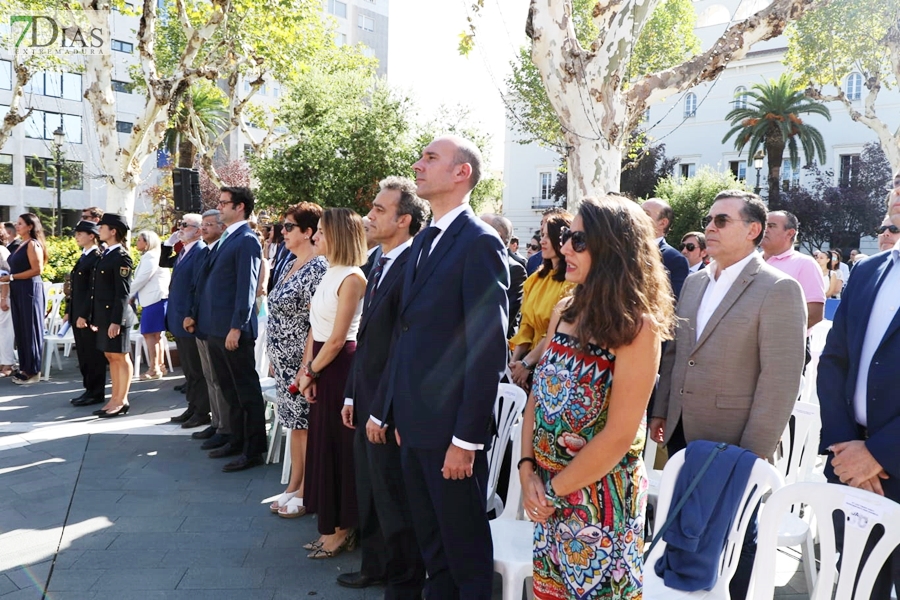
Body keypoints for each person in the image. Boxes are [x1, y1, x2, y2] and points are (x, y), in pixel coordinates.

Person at [650, 190, 807, 600]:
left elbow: (781, 377)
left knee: (737, 539)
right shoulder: (697, 280)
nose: (710, 227)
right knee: (688, 530)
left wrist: (754, 454)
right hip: (685, 430)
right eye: (709, 220)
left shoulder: (778, 287)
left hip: (736, 440)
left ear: (754, 230)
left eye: (722, 221)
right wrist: (662, 409)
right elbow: (677, 352)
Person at [373, 136, 509, 598]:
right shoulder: (425, 240)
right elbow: (405, 335)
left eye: (431, 158)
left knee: (464, 552)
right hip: (414, 425)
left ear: (461, 173)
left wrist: (466, 440)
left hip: (452, 433)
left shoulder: (479, 243)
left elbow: (487, 348)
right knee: (433, 547)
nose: (419, 164)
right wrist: (392, 410)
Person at [519, 195, 674, 600]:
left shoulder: (639, 329)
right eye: (569, 236)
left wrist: (551, 492)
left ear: (613, 248)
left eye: (579, 240)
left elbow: (620, 435)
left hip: (599, 501)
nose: (565, 247)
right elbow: (538, 394)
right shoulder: (565, 309)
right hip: (547, 493)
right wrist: (526, 469)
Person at [339, 176, 428, 594]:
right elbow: (368, 336)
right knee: (370, 489)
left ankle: (401, 578)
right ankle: (375, 566)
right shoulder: (377, 261)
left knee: (394, 498)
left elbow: (402, 346)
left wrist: (382, 409)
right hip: (367, 396)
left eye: (379, 209)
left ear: (404, 220)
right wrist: (354, 394)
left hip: (390, 406)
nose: (368, 215)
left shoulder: (414, 265)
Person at [817, 188, 900, 599]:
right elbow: (833, 362)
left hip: (887, 462)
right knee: (855, 586)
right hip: (848, 461)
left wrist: (879, 454)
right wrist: (845, 447)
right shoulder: (868, 271)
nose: (898, 190)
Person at [295, 207, 367, 558]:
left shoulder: (352, 277)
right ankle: (331, 525)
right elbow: (316, 329)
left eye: (321, 231)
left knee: (338, 449)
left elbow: (338, 339)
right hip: (323, 364)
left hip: (341, 368)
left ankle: (343, 529)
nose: (314, 236)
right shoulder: (328, 271)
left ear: (338, 235)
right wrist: (306, 370)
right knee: (324, 446)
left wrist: (312, 371)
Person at [186, 187, 266, 473]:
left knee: (245, 391)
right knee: (230, 391)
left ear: (240, 207)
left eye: (224, 203)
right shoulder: (228, 238)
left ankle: (253, 449)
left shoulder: (246, 240)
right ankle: (236, 439)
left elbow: (246, 287)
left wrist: (237, 326)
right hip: (215, 328)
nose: (219, 207)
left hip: (233, 330)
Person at [266, 202, 328, 518]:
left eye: (289, 226)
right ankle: (294, 485)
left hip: (302, 361)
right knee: (293, 425)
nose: (283, 231)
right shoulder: (290, 261)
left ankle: (306, 491)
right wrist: (272, 355)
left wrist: (307, 367)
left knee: (304, 425)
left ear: (308, 231)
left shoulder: (317, 268)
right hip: (283, 358)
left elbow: (315, 322)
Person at [508, 210, 574, 390]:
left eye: (548, 236)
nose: (542, 241)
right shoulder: (535, 279)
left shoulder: (572, 283)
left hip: (556, 365)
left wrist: (527, 364)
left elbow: (557, 332)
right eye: (542, 235)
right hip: (526, 366)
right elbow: (526, 327)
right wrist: (515, 365)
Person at [160, 214, 211, 429]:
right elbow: (165, 262)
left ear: (198, 231)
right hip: (177, 316)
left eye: (185, 225)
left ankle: (201, 411)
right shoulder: (184, 250)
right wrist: (167, 244)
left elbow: (197, 287)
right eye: (180, 224)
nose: (180, 228)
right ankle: (192, 407)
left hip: (188, 319)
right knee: (188, 370)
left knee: (195, 369)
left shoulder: (199, 251)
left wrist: (191, 314)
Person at [190, 211, 231, 449]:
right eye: (202, 225)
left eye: (209, 224)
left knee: (218, 377)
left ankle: (225, 427)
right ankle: (217, 422)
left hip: (216, 324)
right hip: (202, 322)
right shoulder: (206, 250)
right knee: (209, 377)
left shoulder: (221, 250)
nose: (203, 228)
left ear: (222, 227)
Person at [90, 214, 135, 416]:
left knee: (120, 356)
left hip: (116, 316)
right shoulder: (106, 254)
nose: (99, 230)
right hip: (104, 316)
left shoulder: (121, 256)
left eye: (102, 227)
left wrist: (117, 321)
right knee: (110, 356)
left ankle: (122, 399)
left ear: (113, 231)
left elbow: (123, 293)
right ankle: (114, 397)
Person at [1, 214, 49, 384]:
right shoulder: (21, 245)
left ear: (30, 226)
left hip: (29, 289)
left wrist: (11, 277)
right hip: (18, 289)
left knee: (30, 329)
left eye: (20, 223)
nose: (17, 225)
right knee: (21, 329)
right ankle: (25, 367)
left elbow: (37, 269)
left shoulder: (32, 244)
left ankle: (33, 370)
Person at [761, 211, 825, 330]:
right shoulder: (752, 262)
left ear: (790, 233)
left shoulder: (805, 264)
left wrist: (778, 338)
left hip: (784, 345)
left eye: (771, 226)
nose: (764, 230)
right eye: (763, 225)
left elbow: (814, 314)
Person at [67, 221, 108, 406]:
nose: (77, 237)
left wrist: (84, 314)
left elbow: (92, 291)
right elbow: (76, 289)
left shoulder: (96, 257)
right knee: (83, 353)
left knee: (92, 354)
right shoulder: (84, 256)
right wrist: (70, 311)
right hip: (78, 312)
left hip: (88, 314)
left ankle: (96, 391)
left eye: (80, 234)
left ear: (92, 236)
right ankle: (88, 389)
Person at [130, 230, 171, 380]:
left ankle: (154, 368)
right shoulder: (153, 256)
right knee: (155, 334)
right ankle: (159, 366)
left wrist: (128, 295)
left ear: (147, 243)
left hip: (154, 299)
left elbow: (142, 278)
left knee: (149, 334)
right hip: (156, 299)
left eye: (140, 240)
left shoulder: (150, 257)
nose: (137, 242)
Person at [481, 213, 526, 339]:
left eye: (481, 227)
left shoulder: (515, 269)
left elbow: (508, 314)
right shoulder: (476, 262)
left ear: (497, 235)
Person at [641, 197, 690, 299]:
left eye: (645, 214)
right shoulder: (626, 250)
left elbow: (673, 302)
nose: (638, 217)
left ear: (662, 223)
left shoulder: (674, 259)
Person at [0, 233, 14, 377]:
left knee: (5, 331)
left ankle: (8, 363)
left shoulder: (1, 251)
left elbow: (5, 274)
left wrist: (3, 297)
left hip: (3, 294)